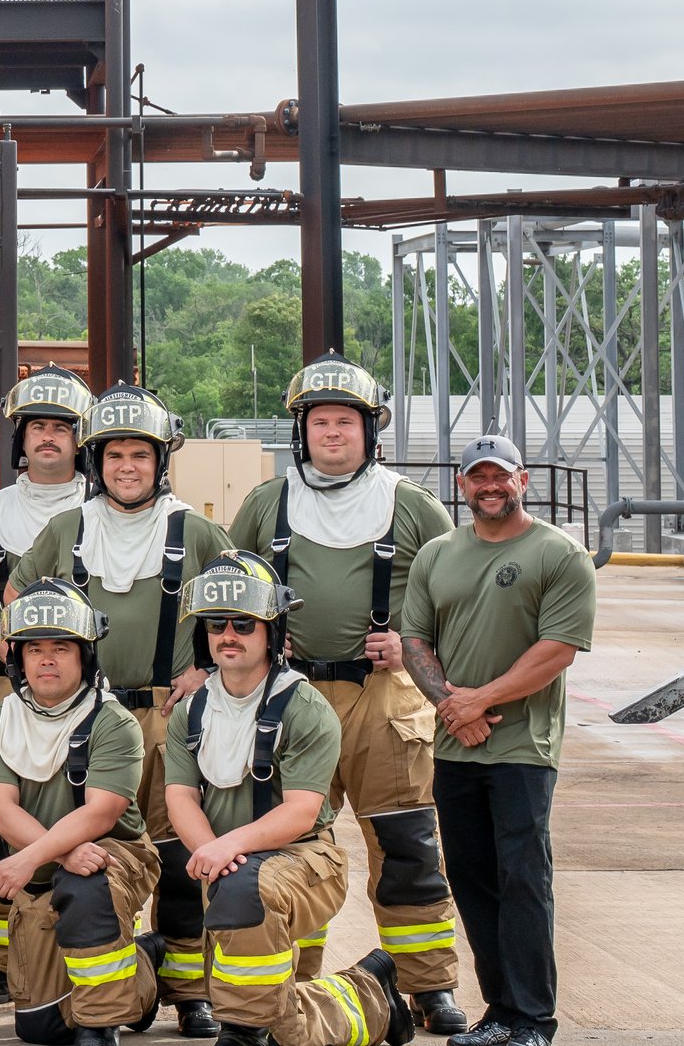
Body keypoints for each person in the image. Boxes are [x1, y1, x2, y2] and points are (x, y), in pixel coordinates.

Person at [229, 357, 463, 1036]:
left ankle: (428, 983)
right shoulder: (266, 504)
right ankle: (291, 983)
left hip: (388, 700)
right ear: (301, 432)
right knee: (289, 843)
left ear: (370, 431)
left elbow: (456, 597)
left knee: (407, 845)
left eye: (345, 421)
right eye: (319, 421)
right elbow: (228, 586)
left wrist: (417, 644)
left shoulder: (412, 504)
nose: (333, 432)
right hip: (290, 701)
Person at [9, 384, 229, 1035]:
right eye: (112, 455)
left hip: (175, 715)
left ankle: (191, 991)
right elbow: (19, 603)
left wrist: (208, 668)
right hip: (89, 719)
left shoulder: (196, 528)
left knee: (184, 853)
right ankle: (119, 976)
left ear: (161, 461)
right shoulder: (65, 529)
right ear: (94, 461)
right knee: (96, 851)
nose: (125, 466)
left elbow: (246, 608)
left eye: (139, 453)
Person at [164, 550, 414, 1046]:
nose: (228, 634)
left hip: (304, 858)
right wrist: (211, 853)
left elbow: (301, 810)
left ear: (273, 632)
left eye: (244, 623)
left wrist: (223, 852)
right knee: (282, 1025)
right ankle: (370, 994)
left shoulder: (304, 707)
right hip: (226, 864)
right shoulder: (190, 711)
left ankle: (240, 1031)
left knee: (245, 925)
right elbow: (180, 798)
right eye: (216, 624)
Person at [400, 435, 597, 1046]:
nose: (490, 486)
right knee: (471, 876)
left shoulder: (559, 555)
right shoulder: (436, 555)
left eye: (501, 476)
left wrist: (479, 701)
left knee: (523, 880)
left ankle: (534, 1018)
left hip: (521, 751)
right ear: (461, 485)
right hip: (457, 747)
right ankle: (500, 1013)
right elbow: (414, 641)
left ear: (524, 480)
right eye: (477, 477)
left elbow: (556, 651)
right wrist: (452, 708)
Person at [0, 579, 162, 1046]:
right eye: (34, 648)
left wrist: (39, 856)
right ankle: (145, 962)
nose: (47, 659)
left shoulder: (113, 722)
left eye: (62, 647)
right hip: (48, 864)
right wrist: (58, 854)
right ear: (18, 659)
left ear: (85, 656)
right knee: (41, 1028)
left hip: (115, 856)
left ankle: (101, 1024)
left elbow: (101, 814)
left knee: (86, 884)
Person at [0, 363, 93, 1003]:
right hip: (16, 686)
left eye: (61, 428)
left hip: (95, 695)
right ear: (21, 438)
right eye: (38, 426)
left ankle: (86, 949)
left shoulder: (103, 505)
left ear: (78, 437)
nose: (49, 438)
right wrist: (13, 658)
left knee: (90, 818)